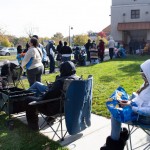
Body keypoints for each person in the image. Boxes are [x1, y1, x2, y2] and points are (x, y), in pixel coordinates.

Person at [100, 59, 150, 150]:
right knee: (118, 102)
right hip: (138, 108)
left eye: (144, 75)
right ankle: (117, 137)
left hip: (144, 118)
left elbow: (148, 111)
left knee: (115, 113)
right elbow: (141, 99)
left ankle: (114, 145)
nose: (142, 77)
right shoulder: (147, 84)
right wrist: (129, 102)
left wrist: (131, 106)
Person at [25, 61, 80, 131]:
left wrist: (41, 97)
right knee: (49, 97)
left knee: (28, 99)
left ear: (62, 70)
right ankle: (50, 118)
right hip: (71, 107)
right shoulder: (78, 79)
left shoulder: (61, 81)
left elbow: (49, 96)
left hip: (56, 109)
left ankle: (33, 127)